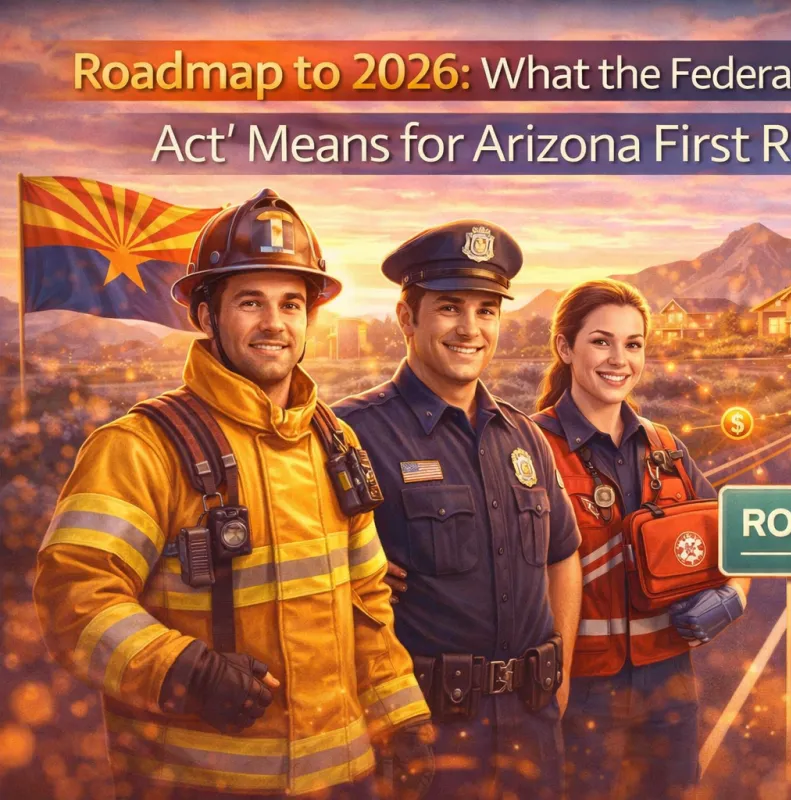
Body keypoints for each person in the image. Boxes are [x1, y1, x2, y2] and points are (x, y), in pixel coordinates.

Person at [33, 189, 431, 800]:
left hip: (344, 779)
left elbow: (367, 599)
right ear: (204, 314)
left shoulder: (332, 440)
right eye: (251, 301)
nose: (275, 323)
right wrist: (181, 669)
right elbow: (75, 600)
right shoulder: (141, 447)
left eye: (291, 304)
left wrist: (400, 718)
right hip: (199, 785)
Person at [333, 220, 583, 799]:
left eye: (487, 310)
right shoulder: (352, 434)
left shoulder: (524, 438)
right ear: (406, 317)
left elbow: (563, 556)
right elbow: (314, 575)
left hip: (532, 724)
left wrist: (561, 674)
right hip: (422, 732)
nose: (470, 329)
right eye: (449, 308)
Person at [530, 279, 751, 799]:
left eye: (633, 344)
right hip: (575, 692)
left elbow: (737, 538)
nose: (619, 359)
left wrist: (734, 595)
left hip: (671, 688)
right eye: (601, 341)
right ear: (565, 348)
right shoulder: (528, 447)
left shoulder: (666, 446)